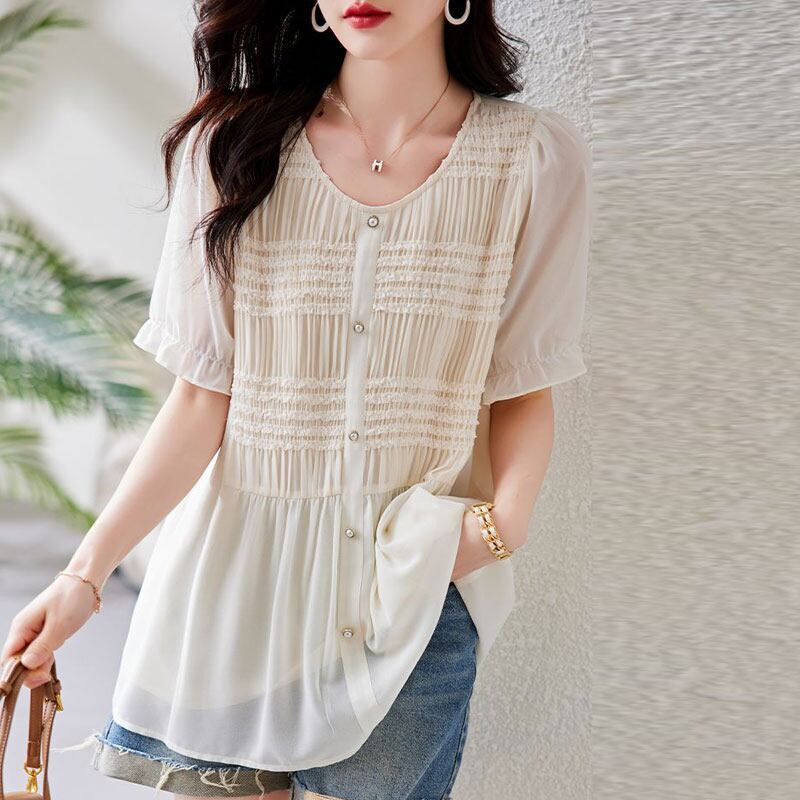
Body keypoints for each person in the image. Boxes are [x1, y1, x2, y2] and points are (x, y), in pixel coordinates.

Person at [0, 1, 592, 798]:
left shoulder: (533, 159)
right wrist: (83, 577)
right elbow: (201, 399)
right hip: (235, 585)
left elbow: (523, 380)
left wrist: (497, 527)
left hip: (411, 584)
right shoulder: (232, 149)